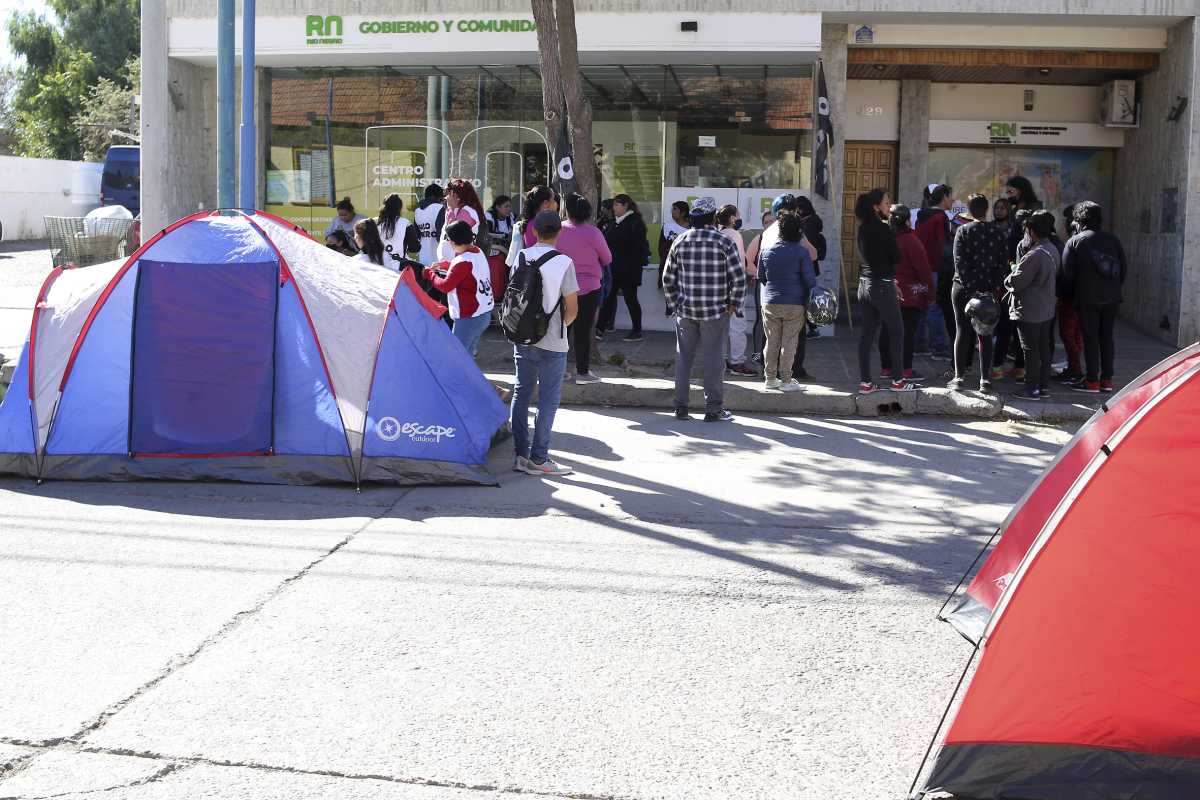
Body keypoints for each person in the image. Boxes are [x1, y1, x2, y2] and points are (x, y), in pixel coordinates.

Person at [662, 196, 746, 422]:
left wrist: (675, 304)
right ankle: (713, 408)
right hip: (715, 312)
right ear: (712, 218)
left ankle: (681, 407)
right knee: (714, 361)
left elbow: (667, 278)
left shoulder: (680, 241)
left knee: (683, 360)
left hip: (686, 312)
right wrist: (732, 305)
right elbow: (739, 278)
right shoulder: (724, 242)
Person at [509, 211, 579, 476]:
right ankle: (539, 458)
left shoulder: (522, 256)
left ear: (534, 232)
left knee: (521, 392)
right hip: (552, 340)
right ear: (558, 232)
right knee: (548, 399)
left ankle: (520, 455)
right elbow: (572, 308)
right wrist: (560, 328)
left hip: (522, 334)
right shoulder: (564, 262)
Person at [854, 189, 917, 394]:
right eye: (886, 203)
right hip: (882, 285)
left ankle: (865, 383)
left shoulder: (862, 228)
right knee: (897, 332)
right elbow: (896, 256)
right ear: (876, 206)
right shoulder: (883, 228)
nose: (889, 207)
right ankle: (898, 380)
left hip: (864, 285)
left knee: (867, 335)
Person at [1062, 201, 1127, 394]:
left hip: (1087, 298)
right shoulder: (1113, 240)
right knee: (1107, 338)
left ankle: (1091, 381)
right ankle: (1106, 380)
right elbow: (1123, 270)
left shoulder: (1075, 241)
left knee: (1091, 339)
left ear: (1078, 219)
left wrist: (1070, 295)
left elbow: (1067, 273)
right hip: (1112, 297)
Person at [949, 194, 1008, 393]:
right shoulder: (999, 233)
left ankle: (959, 377)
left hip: (963, 289)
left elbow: (959, 263)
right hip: (988, 290)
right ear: (987, 209)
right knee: (985, 334)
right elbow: (1003, 264)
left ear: (969, 210)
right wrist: (990, 288)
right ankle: (985, 380)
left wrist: (970, 289)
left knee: (962, 331)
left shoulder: (963, 231)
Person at [557, 193, 612, 384]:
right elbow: (607, 259)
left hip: (563, 287)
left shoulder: (558, 230)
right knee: (583, 332)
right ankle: (582, 372)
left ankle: (559, 371)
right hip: (589, 287)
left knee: (561, 330)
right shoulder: (594, 233)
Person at [1005, 210, 1060, 401]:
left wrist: (1009, 276)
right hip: (1046, 307)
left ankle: (1031, 389)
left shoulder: (1035, 254)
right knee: (1043, 348)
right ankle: (1043, 387)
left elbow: (1017, 281)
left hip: (1030, 308)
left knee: (1030, 349)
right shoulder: (1052, 248)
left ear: (1032, 231)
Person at [758, 212, 816, 391]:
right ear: (798, 231)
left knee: (771, 340)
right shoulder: (801, 252)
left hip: (770, 302)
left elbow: (762, 276)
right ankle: (786, 380)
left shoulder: (766, 251)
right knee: (789, 342)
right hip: (794, 303)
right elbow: (810, 280)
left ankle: (770, 379)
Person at [423, 220, 495, 356]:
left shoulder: (462, 261)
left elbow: (445, 286)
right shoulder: (477, 251)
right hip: (484, 313)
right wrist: (444, 265)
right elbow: (466, 271)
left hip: (470, 317)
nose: (448, 242)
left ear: (454, 241)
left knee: (458, 357)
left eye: (449, 239)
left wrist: (429, 274)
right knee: (467, 356)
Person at [882, 204, 935, 382]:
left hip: (885, 291)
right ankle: (905, 369)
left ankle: (887, 367)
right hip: (908, 294)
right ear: (906, 220)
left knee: (887, 330)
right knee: (906, 332)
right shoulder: (911, 241)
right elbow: (924, 271)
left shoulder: (883, 239)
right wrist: (930, 294)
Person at [598, 194, 649, 342]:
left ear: (625, 205)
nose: (614, 208)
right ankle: (600, 328)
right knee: (607, 299)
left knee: (630, 299)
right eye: (613, 205)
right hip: (613, 269)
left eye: (617, 205)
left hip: (629, 270)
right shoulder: (615, 222)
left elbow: (637, 248)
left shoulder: (635, 222)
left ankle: (637, 330)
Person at [914, 184, 954, 362]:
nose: (952, 200)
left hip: (920, 268)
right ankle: (939, 347)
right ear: (943, 197)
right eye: (950, 196)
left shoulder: (921, 216)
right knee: (934, 308)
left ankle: (920, 345)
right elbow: (943, 246)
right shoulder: (941, 217)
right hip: (936, 270)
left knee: (921, 308)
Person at [717, 204, 755, 377]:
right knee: (738, 326)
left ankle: (722, 360)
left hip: (717, 288)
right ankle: (737, 362)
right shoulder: (734, 235)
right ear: (732, 218)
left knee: (721, 328)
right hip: (733, 288)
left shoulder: (717, 234)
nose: (739, 218)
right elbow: (739, 263)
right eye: (737, 215)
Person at [795, 196, 827, 339]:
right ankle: (812, 327)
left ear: (802, 209)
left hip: (807, 267)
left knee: (805, 298)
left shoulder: (809, 224)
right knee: (806, 297)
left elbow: (807, 248)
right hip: (809, 267)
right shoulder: (810, 221)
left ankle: (813, 327)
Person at [746, 210, 776, 364]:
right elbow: (748, 261)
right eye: (766, 222)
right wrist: (758, 274)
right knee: (761, 319)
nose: (769, 224)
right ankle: (758, 354)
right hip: (763, 285)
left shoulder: (783, 239)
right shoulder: (759, 239)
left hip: (781, 286)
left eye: (772, 221)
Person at [437, 178, 487, 261]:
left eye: (447, 193)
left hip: (461, 262)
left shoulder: (466, 212)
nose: (445, 197)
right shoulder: (452, 211)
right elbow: (444, 238)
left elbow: (459, 244)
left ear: (455, 195)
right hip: (450, 264)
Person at [376, 193, 420, 271]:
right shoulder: (406, 224)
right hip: (399, 268)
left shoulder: (375, 223)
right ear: (399, 209)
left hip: (378, 267)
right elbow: (414, 248)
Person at [658, 200, 691, 287]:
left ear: (683, 213)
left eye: (675, 209)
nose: (672, 212)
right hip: (670, 269)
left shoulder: (693, 229)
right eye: (672, 209)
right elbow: (661, 248)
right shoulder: (667, 227)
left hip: (687, 271)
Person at [414, 184, 446, 265]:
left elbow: (417, 236)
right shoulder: (440, 208)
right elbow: (441, 237)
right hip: (438, 260)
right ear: (438, 197)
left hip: (423, 258)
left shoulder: (417, 211)